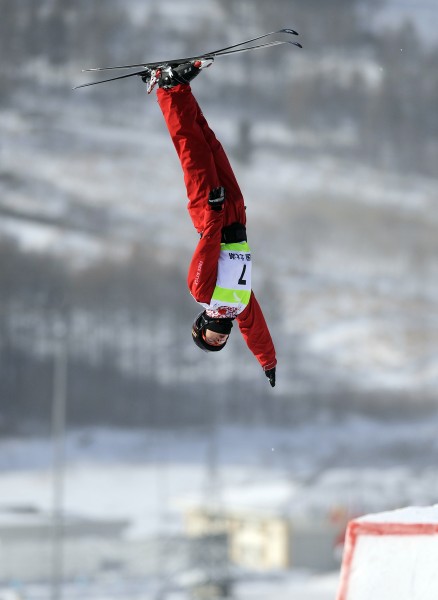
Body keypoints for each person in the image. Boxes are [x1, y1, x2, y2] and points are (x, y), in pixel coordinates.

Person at [143, 60, 277, 387]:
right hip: (235, 213)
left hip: (210, 212)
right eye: (221, 343)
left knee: (191, 148)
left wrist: (214, 212)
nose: (219, 337)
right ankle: (181, 87)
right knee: (208, 141)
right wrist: (268, 361)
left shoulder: (203, 293)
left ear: (200, 326)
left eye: (211, 339)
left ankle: (165, 87)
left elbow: (207, 248)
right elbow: (255, 329)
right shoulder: (239, 306)